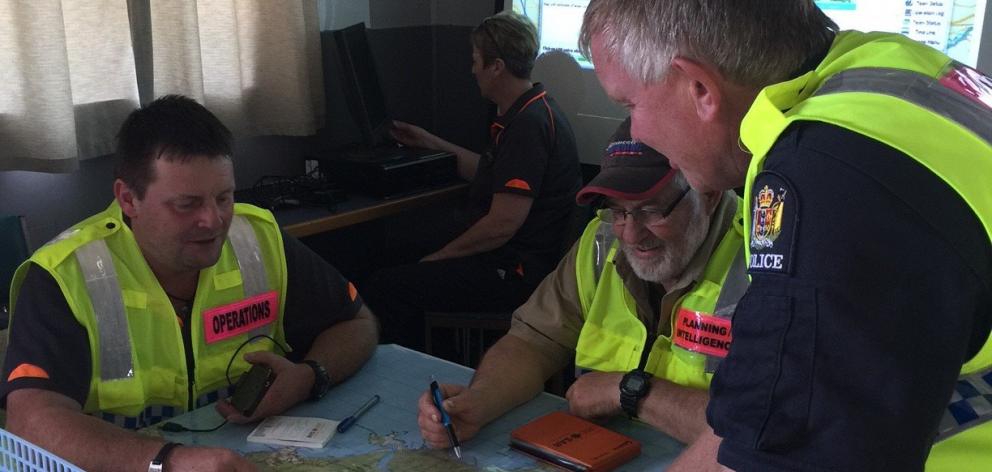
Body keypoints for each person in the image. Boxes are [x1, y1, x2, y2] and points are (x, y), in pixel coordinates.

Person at [578, 1, 992, 471]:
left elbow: (789, 453)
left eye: (630, 105)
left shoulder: (828, 179)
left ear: (699, 87)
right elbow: (777, 416)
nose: (636, 131)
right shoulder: (881, 69)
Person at [1, 95, 379, 471]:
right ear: (128, 199)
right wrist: (169, 462)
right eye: (187, 204)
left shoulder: (258, 240)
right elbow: (31, 420)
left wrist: (310, 375)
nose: (213, 221)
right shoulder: (65, 274)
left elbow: (357, 323)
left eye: (224, 197)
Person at [418, 118, 746, 452]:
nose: (630, 234)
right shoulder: (601, 243)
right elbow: (533, 342)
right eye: (617, 211)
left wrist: (633, 392)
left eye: (651, 210)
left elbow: (767, 429)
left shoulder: (765, 265)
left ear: (708, 194)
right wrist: (478, 402)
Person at [361, 10, 581, 352]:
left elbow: (502, 224)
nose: (472, 69)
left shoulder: (527, 126)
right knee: (396, 257)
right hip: (513, 263)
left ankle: (408, 375)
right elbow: (492, 173)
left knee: (387, 285)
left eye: (476, 60)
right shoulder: (532, 110)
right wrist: (431, 143)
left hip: (514, 274)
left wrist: (444, 255)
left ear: (497, 66)